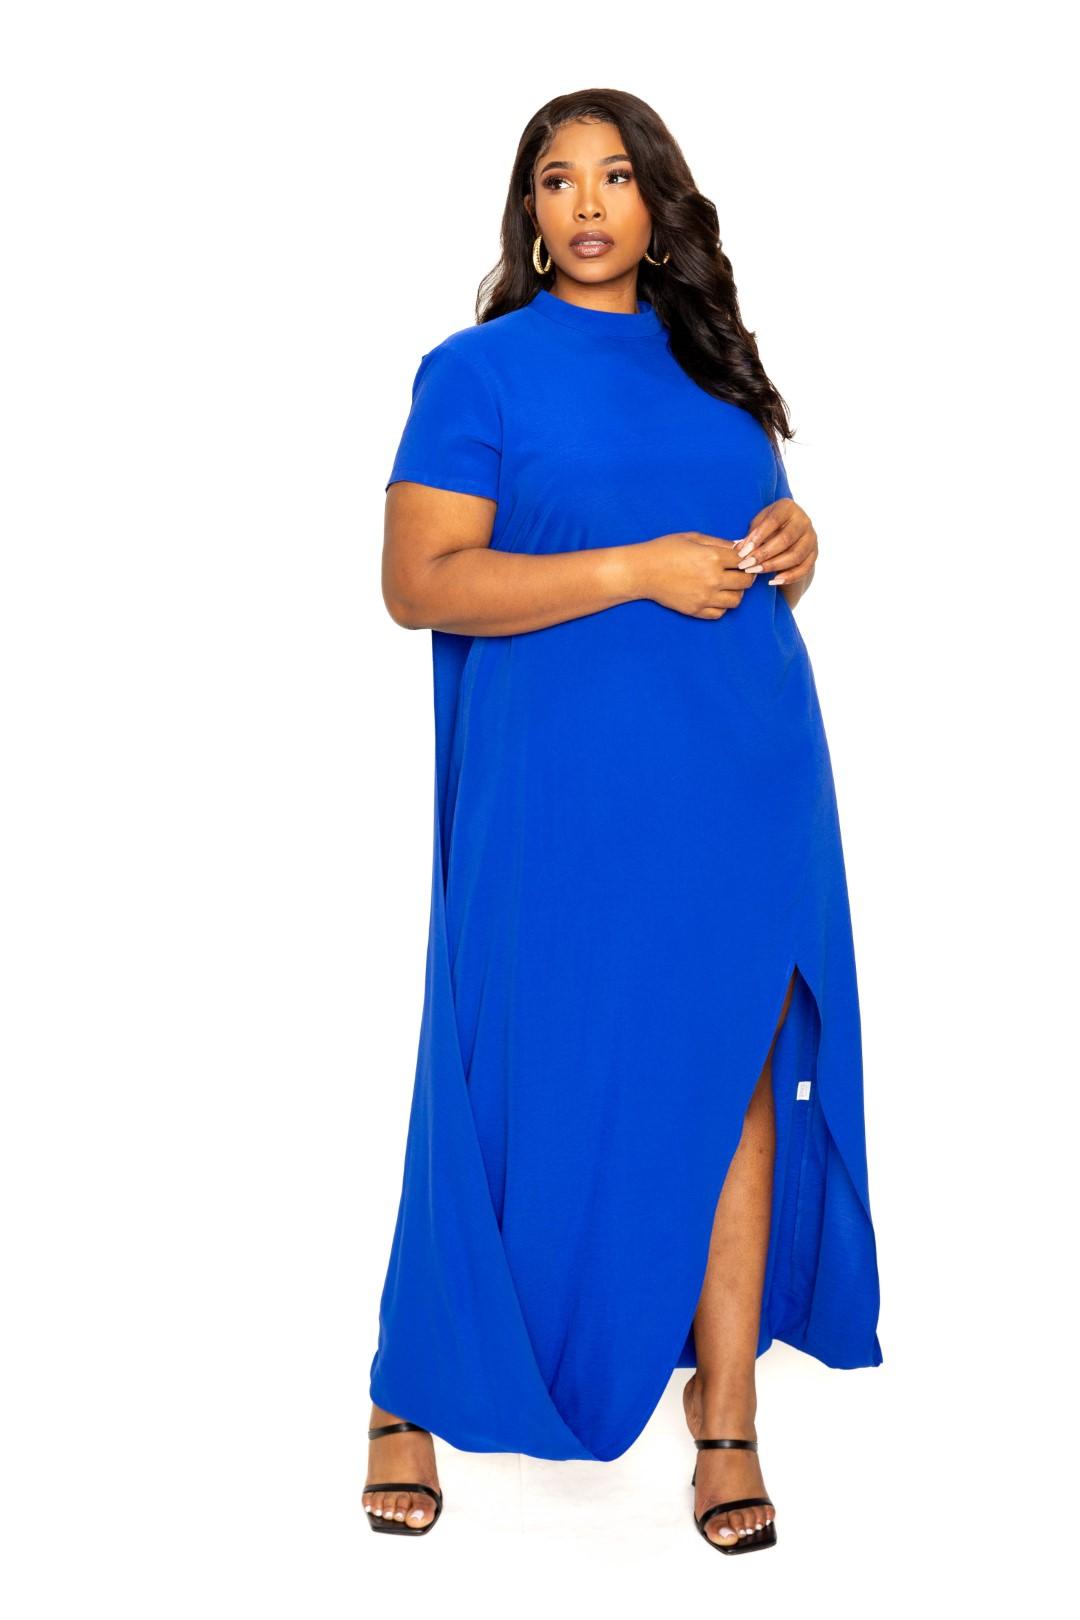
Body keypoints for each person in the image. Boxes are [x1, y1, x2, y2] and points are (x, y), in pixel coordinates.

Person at [364, 89, 883, 1553]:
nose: (588, 203)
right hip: (559, 794)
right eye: (558, 179)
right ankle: (413, 1381)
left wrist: (797, 543)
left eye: (615, 176)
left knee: (732, 1077)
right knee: (507, 1073)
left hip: (743, 776)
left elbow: (752, 546)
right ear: (530, 211)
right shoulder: (477, 373)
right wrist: (630, 568)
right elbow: (418, 583)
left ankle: (728, 1424)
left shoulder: (715, 366)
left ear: (660, 203)